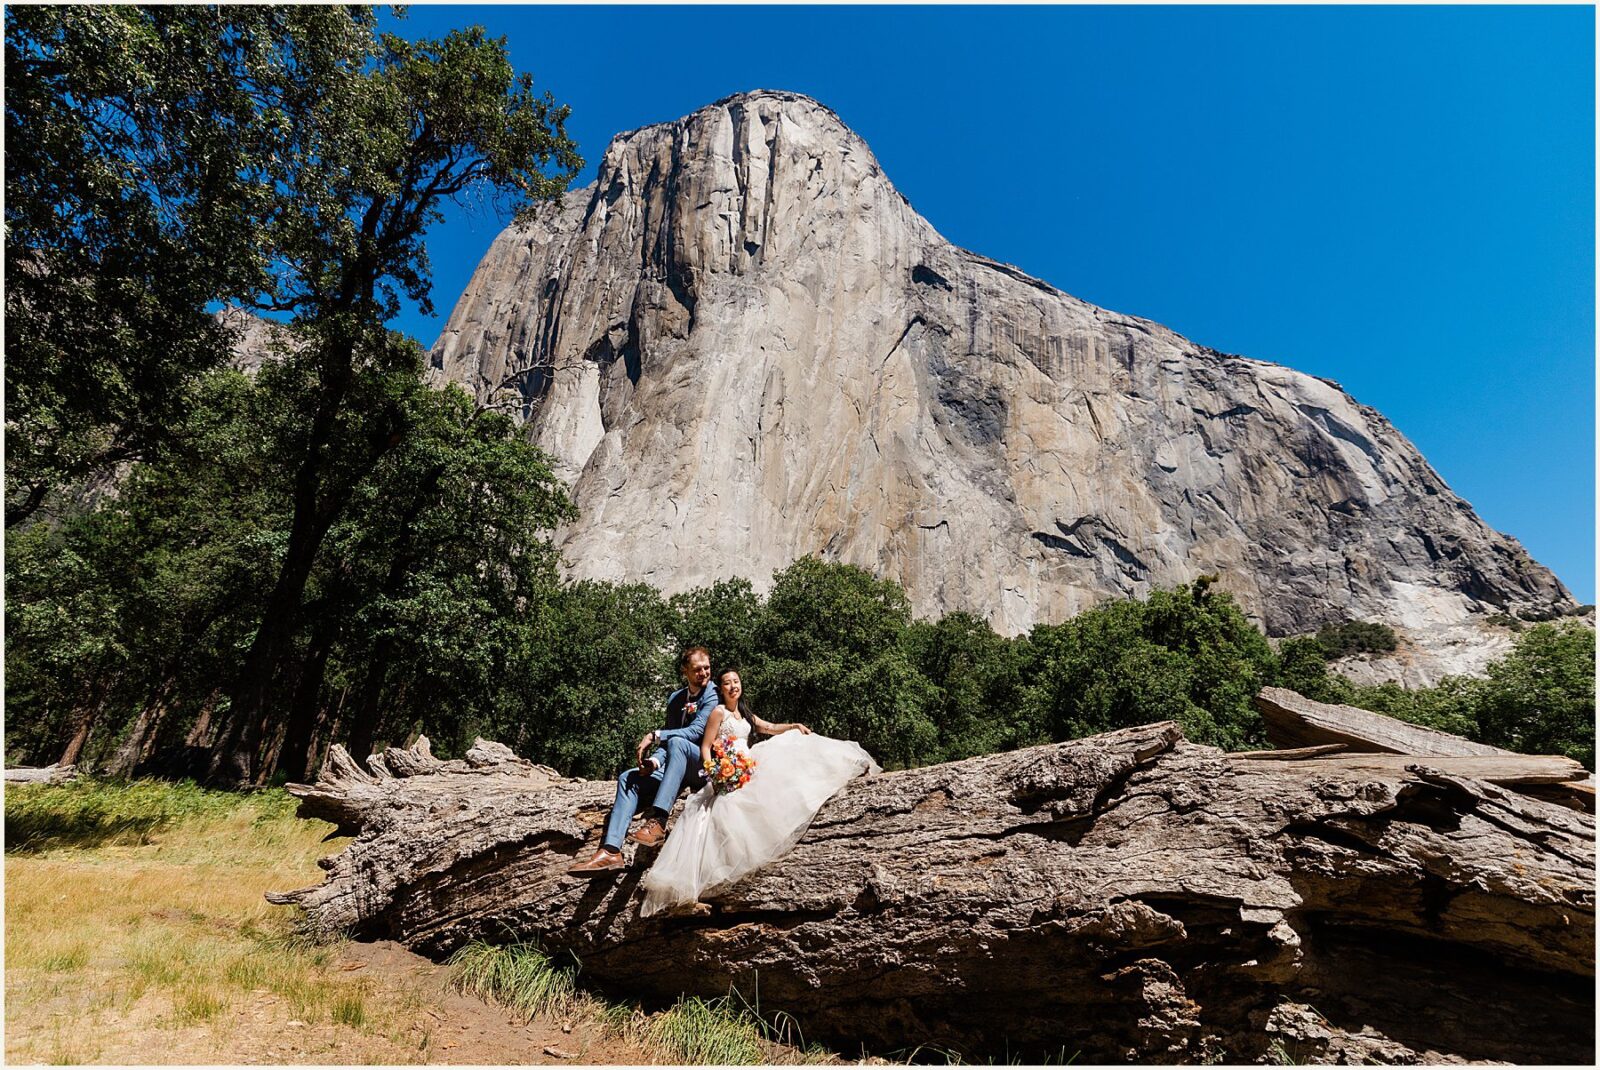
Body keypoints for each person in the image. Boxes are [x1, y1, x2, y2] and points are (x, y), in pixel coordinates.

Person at [639, 668, 877, 915]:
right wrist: (714, 772)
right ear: (721, 689)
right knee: (722, 816)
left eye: (736, 681)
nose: (733, 686)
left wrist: (793, 725)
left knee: (789, 751)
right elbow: (707, 746)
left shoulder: (744, 713)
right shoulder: (718, 712)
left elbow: (770, 727)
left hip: (748, 765)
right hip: (728, 772)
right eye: (727, 683)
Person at [567, 646, 720, 876]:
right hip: (674, 764)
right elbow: (669, 743)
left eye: (707, 668)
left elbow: (695, 731)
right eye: (697, 669)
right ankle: (611, 851)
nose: (704, 673)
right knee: (628, 778)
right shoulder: (675, 699)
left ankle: (658, 821)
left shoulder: (713, 695)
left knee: (678, 743)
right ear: (685, 671)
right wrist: (655, 763)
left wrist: (655, 735)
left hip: (701, 765)